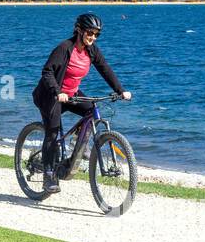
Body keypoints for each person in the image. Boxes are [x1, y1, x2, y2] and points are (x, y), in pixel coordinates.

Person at [31, 12, 131, 193]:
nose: (93, 37)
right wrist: (58, 92)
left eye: (96, 34)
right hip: (50, 95)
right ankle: (48, 175)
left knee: (91, 110)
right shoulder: (65, 48)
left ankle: (77, 148)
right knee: (52, 133)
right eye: (89, 32)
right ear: (79, 30)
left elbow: (105, 69)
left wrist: (120, 90)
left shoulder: (92, 50)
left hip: (71, 94)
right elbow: (47, 72)